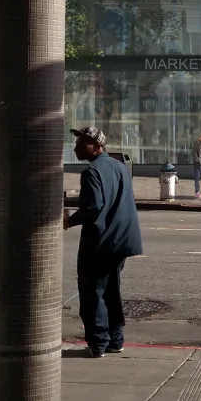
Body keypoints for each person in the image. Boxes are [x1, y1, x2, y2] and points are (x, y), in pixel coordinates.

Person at [65, 127, 144, 358]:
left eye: (82, 143)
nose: (76, 146)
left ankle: (98, 343)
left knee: (92, 293)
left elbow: (93, 207)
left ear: (97, 147)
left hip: (100, 243)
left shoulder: (91, 171)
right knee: (111, 290)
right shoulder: (120, 167)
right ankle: (116, 339)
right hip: (121, 241)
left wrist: (69, 221)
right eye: (78, 142)